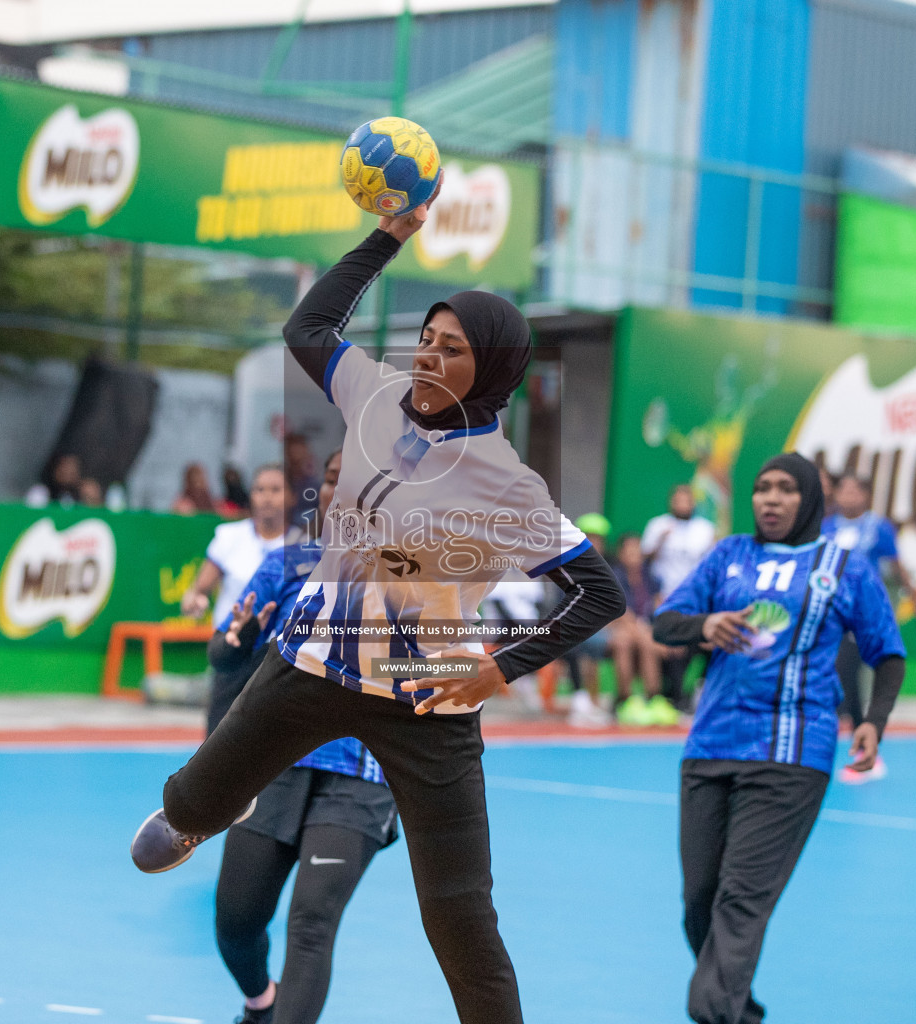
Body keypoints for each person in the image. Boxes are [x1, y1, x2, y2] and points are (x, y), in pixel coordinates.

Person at [130, 201, 626, 1024]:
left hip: (423, 686)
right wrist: (389, 237)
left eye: (453, 348)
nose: (430, 354)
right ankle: (207, 807)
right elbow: (308, 327)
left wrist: (498, 665)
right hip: (313, 660)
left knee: (461, 919)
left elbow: (599, 591)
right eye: (427, 338)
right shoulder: (375, 395)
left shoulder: (507, 483)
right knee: (177, 819)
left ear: (492, 369)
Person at [651, 453, 906, 1024]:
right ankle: (738, 1012)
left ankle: (711, 1012)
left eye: (786, 489)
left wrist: (874, 722)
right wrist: (705, 626)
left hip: (793, 754)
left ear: (809, 499)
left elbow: (886, 653)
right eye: (762, 488)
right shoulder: (729, 554)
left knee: (742, 900)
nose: (770, 499)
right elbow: (665, 621)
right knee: (699, 902)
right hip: (711, 745)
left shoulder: (845, 567)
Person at [205, 449, 398, 1024]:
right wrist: (236, 636)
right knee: (235, 920)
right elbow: (221, 651)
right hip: (276, 762)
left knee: (312, 924)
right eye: (334, 481)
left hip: (361, 775)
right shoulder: (289, 565)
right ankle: (260, 1003)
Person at [821, 473, 916, 784]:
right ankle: (846, 742)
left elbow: (898, 571)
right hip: (830, 614)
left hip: (863, 615)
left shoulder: (878, 528)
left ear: (867, 496)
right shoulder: (826, 528)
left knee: (850, 672)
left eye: (856, 490)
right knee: (836, 676)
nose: (848, 495)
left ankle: (866, 745)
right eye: (843, 489)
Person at [180, 464, 295, 627]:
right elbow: (197, 592)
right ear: (251, 495)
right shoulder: (229, 536)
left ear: (292, 496)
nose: (267, 497)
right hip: (228, 643)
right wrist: (194, 602)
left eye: (276, 490)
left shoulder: (305, 545)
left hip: (281, 648)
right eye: (260, 490)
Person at [641, 483, 716, 712]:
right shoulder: (658, 525)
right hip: (663, 599)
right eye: (678, 500)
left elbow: (712, 566)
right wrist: (660, 542)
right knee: (670, 643)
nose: (683, 504)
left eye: (687, 500)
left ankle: (691, 693)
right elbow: (644, 563)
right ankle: (670, 696)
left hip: (695, 600)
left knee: (702, 642)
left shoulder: (705, 529)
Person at [609, 533, 681, 727]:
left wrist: (666, 632)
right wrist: (643, 632)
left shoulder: (649, 577)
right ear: (621, 554)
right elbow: (620, 613)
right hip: (615, 627)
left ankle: (654, 700)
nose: (634, 554)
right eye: (629, 550)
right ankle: (626, 701)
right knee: (625, 641)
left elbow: (661, 606)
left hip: (644, 630)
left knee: (648, 640)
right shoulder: (613, 576)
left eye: (637, 550)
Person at [563, 513, 615, 728]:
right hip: (576, 627)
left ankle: (620, 702)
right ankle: (581, 699)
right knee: (571, 640)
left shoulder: (612, 569)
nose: (595, 543)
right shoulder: (567, 567)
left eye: (599, 538)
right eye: (590, 537)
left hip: (606, 630)